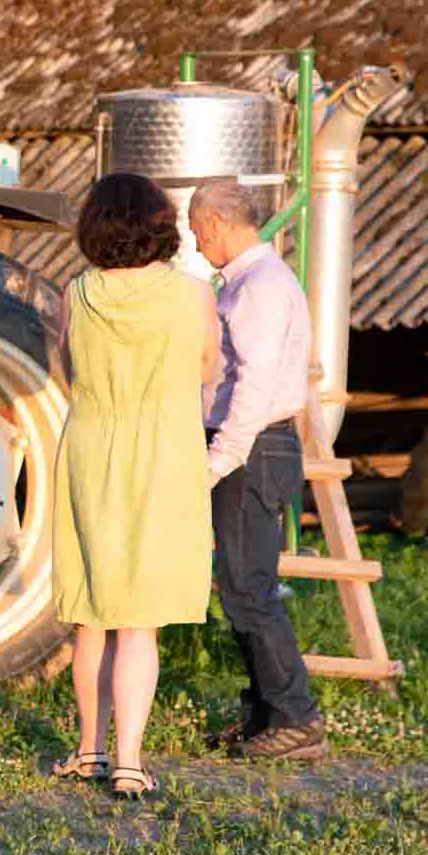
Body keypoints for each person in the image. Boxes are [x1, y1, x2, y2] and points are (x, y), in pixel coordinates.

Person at [50, 173, 220, 798]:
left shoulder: (75, 294)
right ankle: (128, 762)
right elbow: (208, 367)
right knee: (139, 622)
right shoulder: (193, 295)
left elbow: (64, 370)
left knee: (92, 615)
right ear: (160, 225)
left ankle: (88, 751)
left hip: (92, 449)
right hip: (165, 454)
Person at [189, 177, 327, 761]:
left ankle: (297, 716)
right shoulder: (251, 282)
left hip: (253, 447)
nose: (197, 245)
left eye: (197, 232)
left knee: (249, 588)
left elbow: (253, 385)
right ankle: (267, 712)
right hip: (255, 446)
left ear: (216, 224)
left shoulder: (260, 288)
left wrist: (220, 459)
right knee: (241, 586)